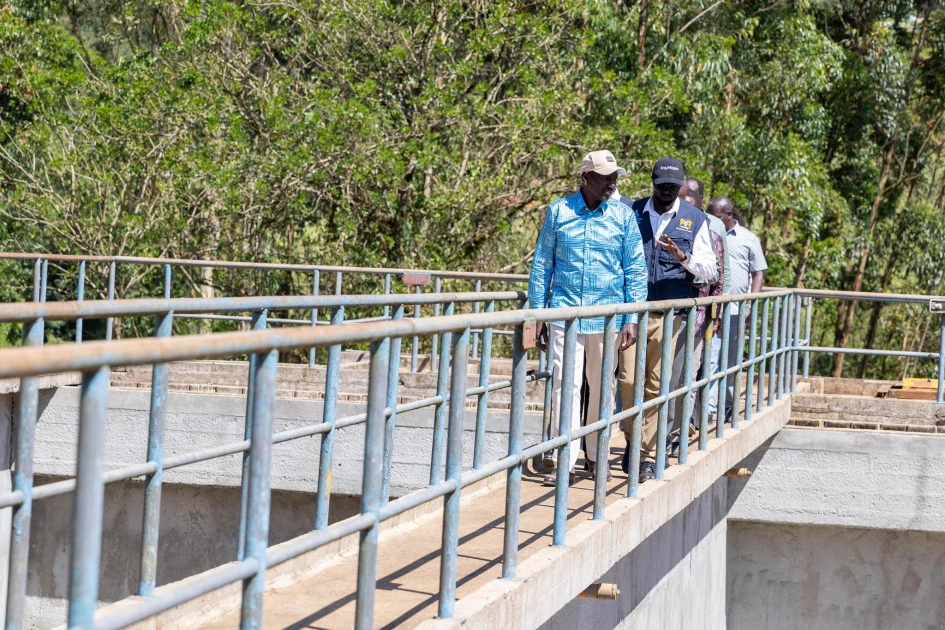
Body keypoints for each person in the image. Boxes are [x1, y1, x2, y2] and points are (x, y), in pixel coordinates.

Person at [528, 150, 647, 485]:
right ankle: (565, 459)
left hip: (608, 316)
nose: (612, 183)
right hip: (565, 314)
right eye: (605, 177)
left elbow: (635, 270)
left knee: (602, 388)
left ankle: (596, 456)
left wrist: (631, 318)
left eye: (614, 177)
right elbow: (542, 266)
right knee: (565, 385)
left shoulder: (623, 217)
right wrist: (537, 315)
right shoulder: (559, 211)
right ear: (586, 178)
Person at [616, 158, 718, 483]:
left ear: (682, 187)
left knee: (656, 386)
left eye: (672, 188)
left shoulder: (695, 219)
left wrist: (683, 258)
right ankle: (634, 441)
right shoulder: (631, 213)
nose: (666, 192)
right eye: (661, 186)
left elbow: (710, 270)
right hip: (633, 314)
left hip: (669, 315)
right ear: (652, 183)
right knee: (629, 383)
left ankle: (646, 457)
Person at [668, 178, 729, 444]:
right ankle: (664, 433)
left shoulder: (712, 237)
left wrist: (715, 315)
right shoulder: (667, 233)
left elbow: (718, 280)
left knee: (688, 378)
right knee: (665, 380)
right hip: (668, 316)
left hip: (697, 318)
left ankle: (679, 433)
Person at [706, 196, 767, 421]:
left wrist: (750, 304)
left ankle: (728, 405)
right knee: (711, 357)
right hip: (713, 307)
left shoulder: (748, 239)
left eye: (717, 217)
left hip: (736, 308)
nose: (712, 220)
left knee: (731, 360)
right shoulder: (708, 233)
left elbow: (758, 272)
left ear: (729, 216)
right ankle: (709, 410)